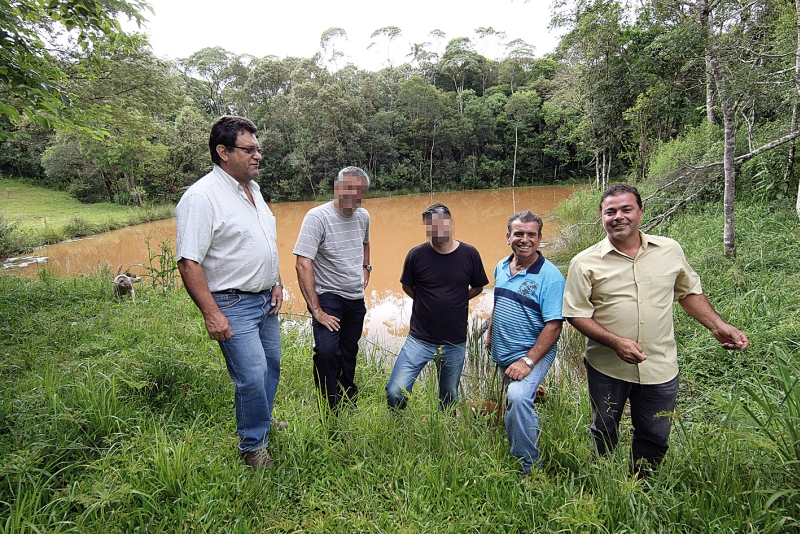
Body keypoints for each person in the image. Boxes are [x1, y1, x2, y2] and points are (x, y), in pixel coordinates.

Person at [562, 184, 749, 473]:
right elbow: (576, 314)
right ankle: (605, 479)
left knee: (655, 432)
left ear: (641, 212)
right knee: (604, 427)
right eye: (610, 212)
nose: (618, 217)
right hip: (606, 367)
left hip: (660, 363)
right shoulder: (584, 262)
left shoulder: (669, 250)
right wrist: (616, 343)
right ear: (601, 217)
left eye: (626, 209)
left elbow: (688, 293)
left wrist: (718, 326)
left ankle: (645, 484)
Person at [175, 115, 285, 469]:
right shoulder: (202, 197)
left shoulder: (253, 190)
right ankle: (252, 447)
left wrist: (277, 281)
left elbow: (266, 241)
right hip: (232, 303)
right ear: (223, 151)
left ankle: (263, 423)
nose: (258, 155)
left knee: (271, 367)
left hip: (265, 299)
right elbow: (188, 262)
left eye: (259, 148)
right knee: (250, 376)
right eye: (249, 149)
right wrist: (211, 313)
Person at [385, 203, 489, 412]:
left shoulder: (470, 254)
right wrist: (427, 300)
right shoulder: (416, 255)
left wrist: (458, 299)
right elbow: (407, 285)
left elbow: (478, 286)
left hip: (454, 340)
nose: (437, 229)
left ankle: (445, 432)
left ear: (451, 223)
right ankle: (395, 427)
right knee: (395, 391)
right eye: (431, 225)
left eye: (441, 223)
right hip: (419, 339)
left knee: (449, 396)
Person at [486, 211, 565, 475]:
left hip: (532, 353)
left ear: (540, 238)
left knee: (518, 398)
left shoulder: (551, 277)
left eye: (532, 234)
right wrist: (490, 331)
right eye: (518, 233)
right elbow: (500, 302)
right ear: (508, 236)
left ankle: (529, 466)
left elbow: (554, 325)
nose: (525, 239)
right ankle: (517, 438)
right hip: (503, 350)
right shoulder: (501, 266)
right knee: (513, 399)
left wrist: (528, 361)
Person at [294, 166, 371, 412]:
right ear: (337, 187)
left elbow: (365, 242)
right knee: (327, 351)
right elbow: (302, 262)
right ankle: (329, 406)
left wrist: (366, 267)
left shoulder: (363, 216)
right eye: (349, 190)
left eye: (360, 192)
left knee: (349, 351)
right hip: (329, 296)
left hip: (355, 298)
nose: (354, 197)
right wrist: (316, 310)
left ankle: (348, 399)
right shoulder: (317, 217)